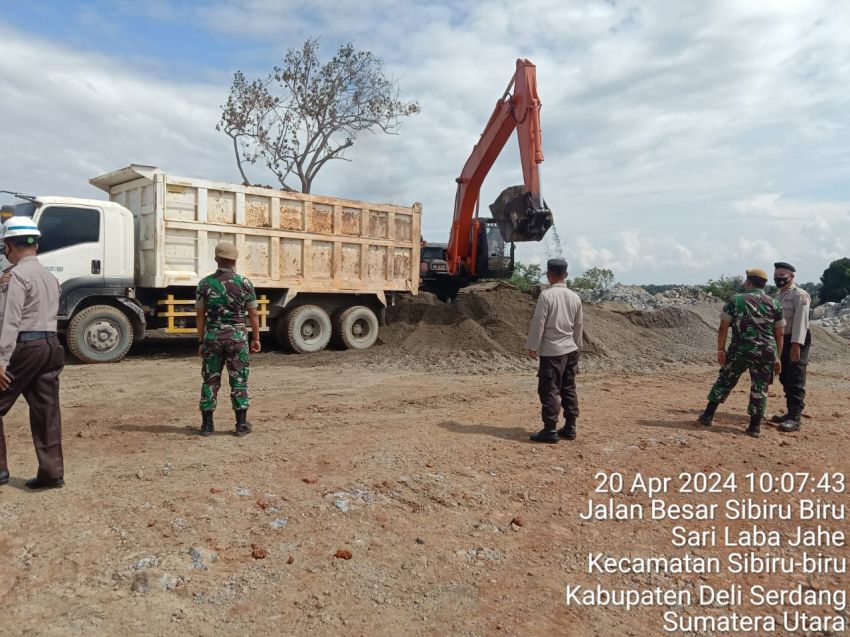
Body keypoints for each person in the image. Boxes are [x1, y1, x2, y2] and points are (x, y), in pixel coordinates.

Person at [0, 216, 65, 489]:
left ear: (8, 246)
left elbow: (9, 321)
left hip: (26, 347)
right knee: (46, 410)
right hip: (51, 346)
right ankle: (52, 474)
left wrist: (1, 361)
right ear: (35, 245)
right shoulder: (50, 276)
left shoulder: (15, 276)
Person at [697, 268, 784, 437]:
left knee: (725, 380)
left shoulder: (736, 300)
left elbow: (723, 327)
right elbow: (779, 333)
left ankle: (707, 415)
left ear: (749, 282)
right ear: (764, 284)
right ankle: (754, 427)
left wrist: (720, 350)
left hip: (740, 351)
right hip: (766, 352)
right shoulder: (775, 304)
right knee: (760, 387)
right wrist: (777, 357)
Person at [195, 242, 261, 437]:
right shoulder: (245, 283)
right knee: (239, 380)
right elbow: (253, 314)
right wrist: (255, 338)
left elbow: (200, 315)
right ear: (235, 260)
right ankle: (241, 425)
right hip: (237, 338)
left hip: (213, 338)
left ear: (216, 260)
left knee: (210, 381)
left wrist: (201, 341)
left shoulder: (204, 284)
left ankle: (207, 426)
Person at [525, 258, 583, 443]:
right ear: (565, 275)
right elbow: (578, 326)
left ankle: (550, 430)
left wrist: (533, 346)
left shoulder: (546, 296)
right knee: (568, 387)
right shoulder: (575, 297)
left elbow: (539, 322)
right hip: (570, 350)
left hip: (552, 351)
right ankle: (570, 427)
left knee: (549, 389)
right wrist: (577, 347)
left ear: (548, 274)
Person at [771, 262, 811, 432]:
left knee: (795, 376)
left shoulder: (800, 295)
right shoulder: (778, 296)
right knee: (784, 376)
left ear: (791, 277)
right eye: (776, 275)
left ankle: (795, 418)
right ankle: (789, 412)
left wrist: (796, 345)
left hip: (796, 340)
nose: (778, 278)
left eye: (782, 275)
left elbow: (801, 322)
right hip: (781, 339)